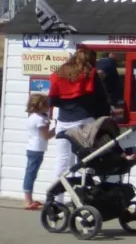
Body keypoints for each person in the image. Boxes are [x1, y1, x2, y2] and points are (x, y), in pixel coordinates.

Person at [46, 47, 111, 192]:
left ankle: (57, 199)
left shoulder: (60, 73)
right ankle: (80, 198)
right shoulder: (90, 73)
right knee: (84, 161)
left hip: (63, 122)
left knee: (62, 161)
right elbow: (102, 99)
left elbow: (51, 101)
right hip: (85, 121)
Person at [21, 93, 52, 210]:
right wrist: (58, 128)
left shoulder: (33, 116)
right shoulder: (39, 119)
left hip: (33, 148)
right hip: (36, 149)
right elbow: (46, 136)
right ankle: (27, 201)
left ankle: (29, 198)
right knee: (31, 173)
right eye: (47, 104)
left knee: (31, 173)